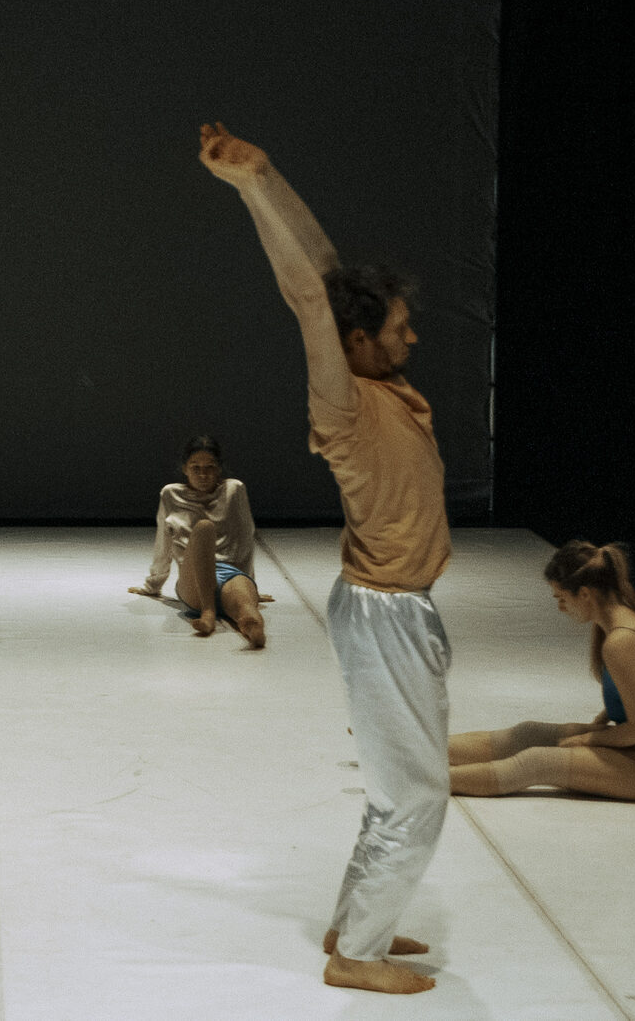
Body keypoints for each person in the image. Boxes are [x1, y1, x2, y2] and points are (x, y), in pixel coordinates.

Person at [200, 123, 450, 995]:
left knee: (396, 786)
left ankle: (357, 923)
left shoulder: (379, 382)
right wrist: (248, 192)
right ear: (360, 343)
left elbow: (326, 276)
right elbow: (311, 301)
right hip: (385, 611)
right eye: (400, 328)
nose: (411, 338)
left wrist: (267, 173)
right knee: (418, 794)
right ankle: (357, 955)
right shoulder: (343, 405)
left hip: (398, 609)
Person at [450, 540, 635, 803]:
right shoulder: (619, 618)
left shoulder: (621, 641)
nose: (560, 608)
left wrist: (589, 739)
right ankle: (422, 752)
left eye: (561, 598)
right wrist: (597, 728)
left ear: (584, 594)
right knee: (528, 733)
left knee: (536, 762)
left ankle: (427, 780)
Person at [128, 434, 268, 647]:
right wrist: (153, 585)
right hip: (193, 577)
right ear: (185, 469)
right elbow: (163, 543)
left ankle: (254, 630)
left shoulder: (234, 489)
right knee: (204, 527)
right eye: (196, 468)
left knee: (247, 609)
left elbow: (245, 538)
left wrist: (250, 586)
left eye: (210, 467)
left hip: (230, 573)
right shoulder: (171, 494)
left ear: (219, 468)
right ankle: (208, 612)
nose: (203, 475)